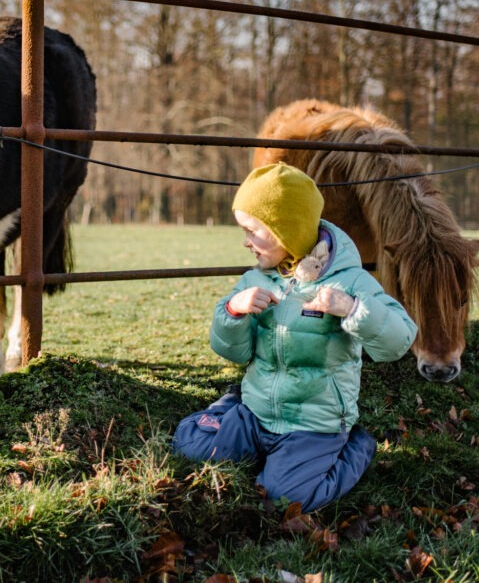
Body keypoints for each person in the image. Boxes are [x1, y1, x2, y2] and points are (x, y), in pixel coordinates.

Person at [172, 163, 417, 512]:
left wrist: (352, 308)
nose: (245, 242)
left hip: (312, 425)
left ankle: (356, 448)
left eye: (253, 231)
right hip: (255, 413)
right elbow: (234, 352)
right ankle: (229, 407)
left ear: (285, 230)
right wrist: (233, 311)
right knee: (188, 444)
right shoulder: (257, 279)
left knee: (283, 500)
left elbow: (400, 339)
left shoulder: (349, 282)